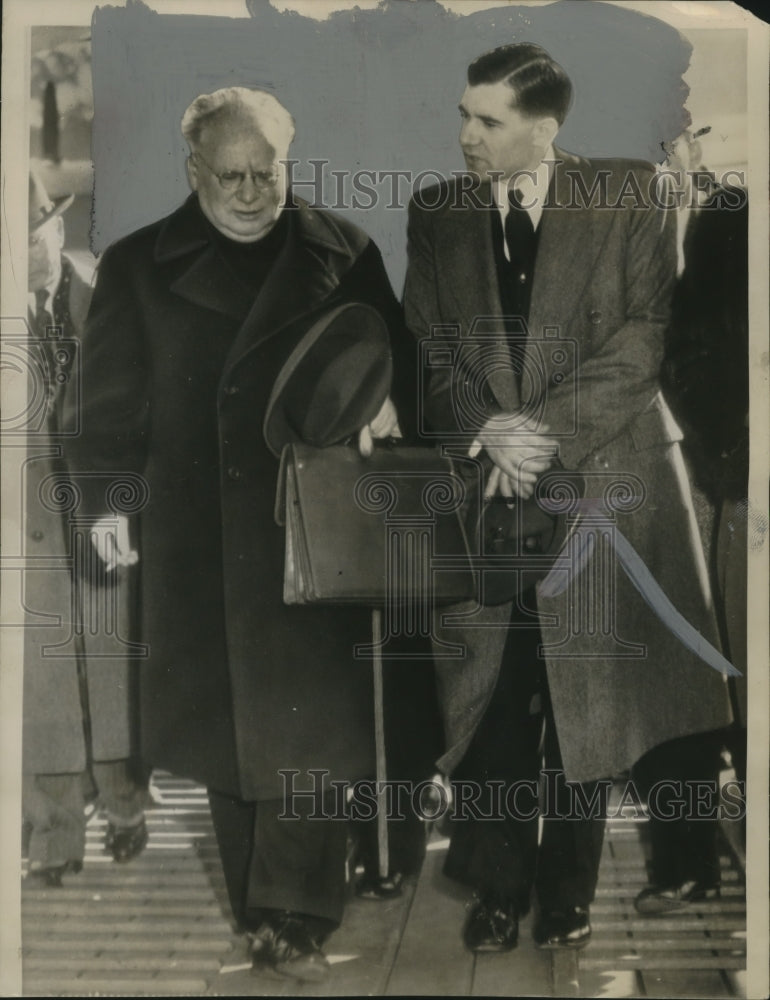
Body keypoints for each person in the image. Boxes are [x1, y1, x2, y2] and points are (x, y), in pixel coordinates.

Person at [64, 87, 411, 983]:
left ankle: (296, 917)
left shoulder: (345, 250)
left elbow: (394, 360)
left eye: (269, 172)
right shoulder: (141, 265)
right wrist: (106, 505)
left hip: (317, 530)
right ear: (194, 171)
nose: (254, 192)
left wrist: (388, 406)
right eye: (233, 176)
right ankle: (262, 916)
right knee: (230, 740)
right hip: (198, 540)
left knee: (311, 734)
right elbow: (102, 405)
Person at [404, 43, 732, 953]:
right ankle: (498, 888)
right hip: (491, 492)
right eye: (464, 114)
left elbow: (644, 339)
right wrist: (487, 434)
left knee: (588, 695)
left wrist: (535, 434)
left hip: (601, 481)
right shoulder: (437, 213)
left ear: (543, 130)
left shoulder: (629, 193)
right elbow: (427, 345)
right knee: (497, 694)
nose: (465, 134)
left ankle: (569, 893)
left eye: (488, 120)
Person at [632, 128, 749, 914]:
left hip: (725, 482)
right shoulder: (724, 220)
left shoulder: (727, 215)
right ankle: (687, 861)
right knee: (684, 678)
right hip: (693, 485)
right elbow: (684, 348)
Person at [22, 170, 150, 887]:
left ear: (55, 228)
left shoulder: (100, 298)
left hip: (102, 511)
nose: (29, 248)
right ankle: (53, 832)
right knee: (41, 681)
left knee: (113, 666)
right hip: (26, 524)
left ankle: (127, 806)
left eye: (36, 230)